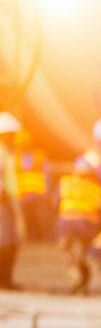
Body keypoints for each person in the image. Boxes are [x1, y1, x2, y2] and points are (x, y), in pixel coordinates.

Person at [58, 154, 101, 295]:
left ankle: (76, 275)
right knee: (85, 254)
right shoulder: (96, 188)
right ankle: (84, 282)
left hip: (66, 224)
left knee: (66, 251)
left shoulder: (65, 183)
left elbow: (55, 202)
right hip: (87, 225)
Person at [11, 129, 53, 241]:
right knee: (29, 222)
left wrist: (48, 191)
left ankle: (43, 239)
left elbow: (47, 174)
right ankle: (31, 240)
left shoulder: (39, 156)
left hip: (38, 195)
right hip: (24, 196)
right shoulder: (16, 158)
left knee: (41, 220)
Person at [0, 112, 22, 289]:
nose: (13, 138)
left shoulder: (8, 153)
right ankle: (4, 281)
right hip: (2, 202)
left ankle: (7, 280)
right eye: (10, 135)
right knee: (6, 243)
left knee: (12, 243)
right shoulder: (1, 153)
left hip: (9, 202)